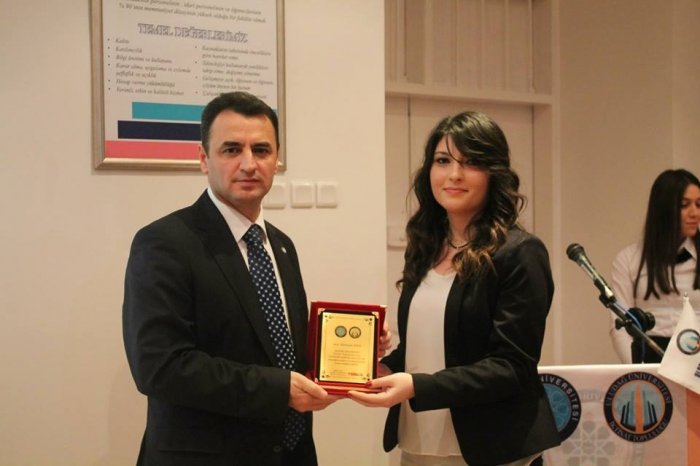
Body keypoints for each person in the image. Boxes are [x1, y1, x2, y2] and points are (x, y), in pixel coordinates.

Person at [123, 91, 339, 466]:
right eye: (231, 150)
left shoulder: (281, 246)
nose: (249, 164)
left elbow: (278, 348)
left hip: (290, 454)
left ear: (277, 160)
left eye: (261, 150)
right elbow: (159, 367)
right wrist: (279, 390)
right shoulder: (164, 243)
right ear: (203, 159)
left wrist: (353, 346)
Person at [349, 111, 560, 466]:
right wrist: (384, 368)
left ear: (494, 173)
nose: (454, 174)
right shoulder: (425, 247)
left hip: (490, 447)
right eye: (443, 160)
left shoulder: (520, 252)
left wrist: (416, 386)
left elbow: (511, 367)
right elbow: (430, 346)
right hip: (416, 439)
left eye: (471, 162)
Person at [610, 169, 700, 364]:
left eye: (699, 204)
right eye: (684, 205)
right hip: (648, 358)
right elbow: (620, 326)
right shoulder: (628, 259)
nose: (695, 213)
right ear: (663, 209)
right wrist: (637, 372)